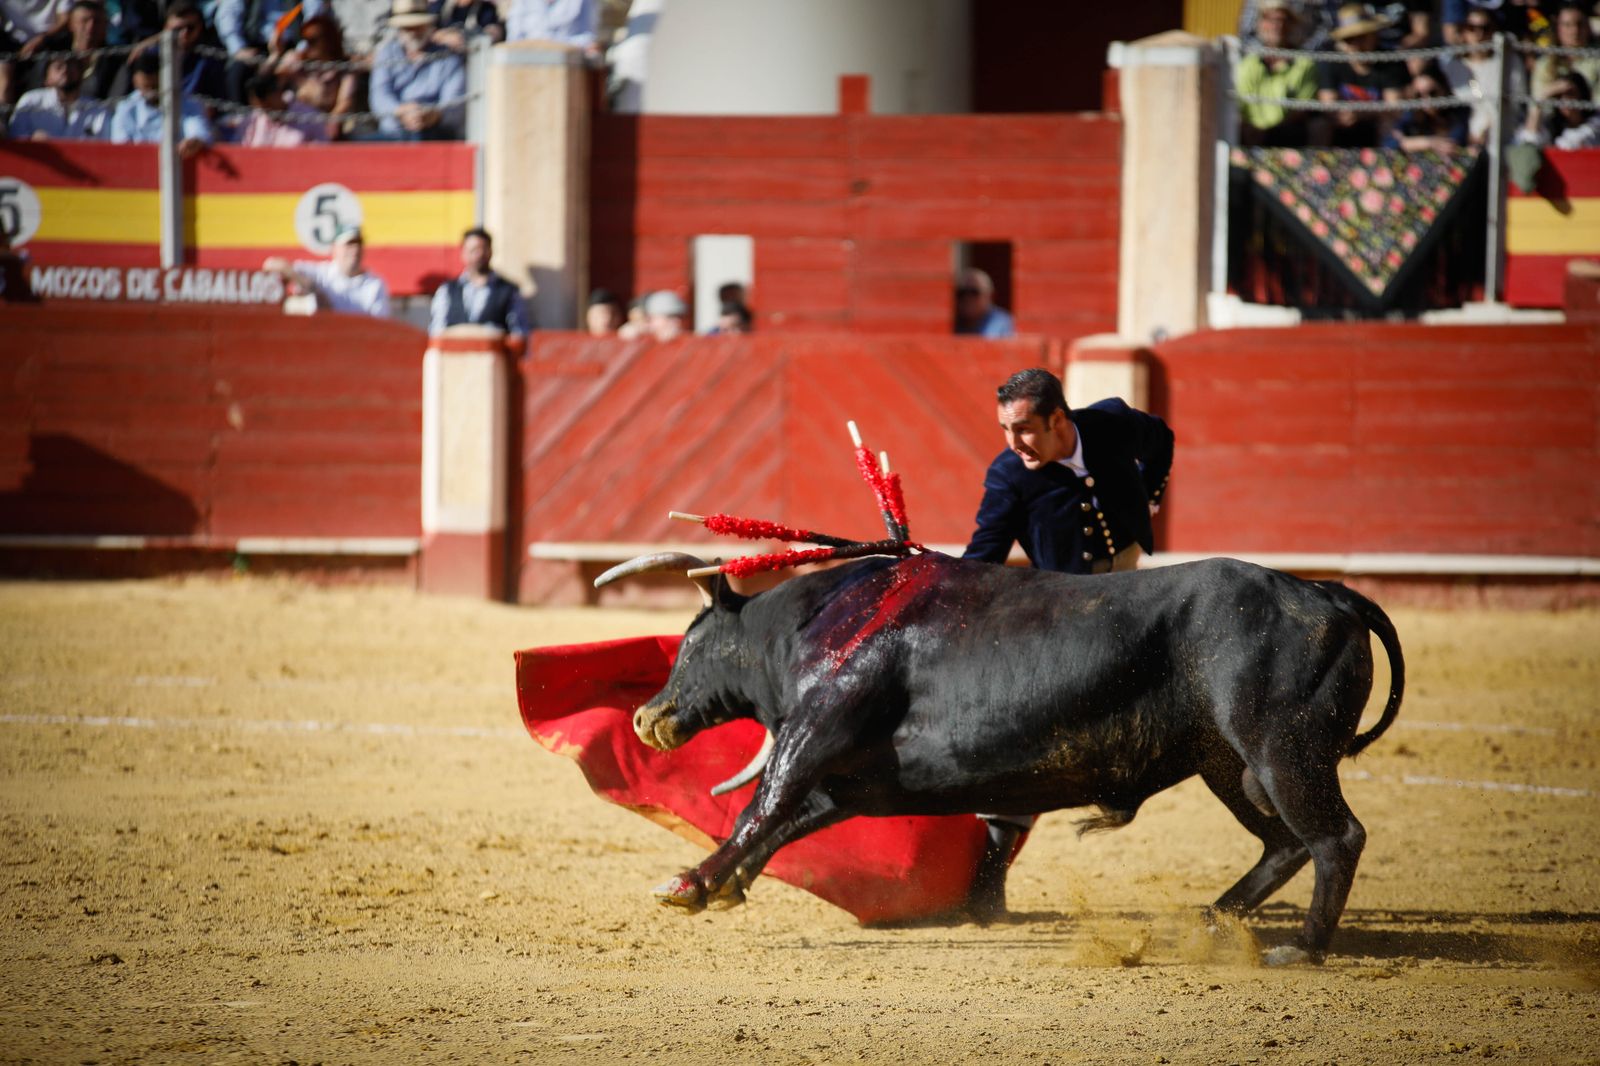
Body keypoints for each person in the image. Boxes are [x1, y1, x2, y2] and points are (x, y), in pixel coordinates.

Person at [959, 367, 1175, 922]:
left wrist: (1150, 495)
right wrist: (938, 583)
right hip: (1063, 613)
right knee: (1036, 734)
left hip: (1130, 586)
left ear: (1060, 420)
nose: (1014, 444)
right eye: (1005, 429)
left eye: (1025, 428)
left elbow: (1162, 440)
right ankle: (987, 881)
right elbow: (982, 557)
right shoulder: (1009, 475)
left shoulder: (1112, 424)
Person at [368, 0, 467, 140]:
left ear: (428, 25)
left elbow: (455, 104)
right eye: (407, 27)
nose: (413, 32)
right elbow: (379, 97)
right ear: (399, 29)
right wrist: (401, 111)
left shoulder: (448, 58)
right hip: (393, 133)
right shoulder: (386, 54)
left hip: (435, 133)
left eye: (418, 26)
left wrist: (432, 115)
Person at [1316, 3, 1407, 147]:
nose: (1357, 45)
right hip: (1341, 125)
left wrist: (1361, 113)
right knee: (1320, 125)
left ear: (1374, 36)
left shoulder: (1389, 62)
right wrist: (1343, 115)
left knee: (1388, 124)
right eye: (1350, 39)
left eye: (1362, 37)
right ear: (1343, 44)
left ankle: (1387, 165)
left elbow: (1394, 108)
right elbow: (1327, 104)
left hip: (1376, 124)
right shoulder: (1333, 60)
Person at [1235, 0, 1318, 146]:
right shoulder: (1248, 64)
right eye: (1270, 20)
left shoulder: (1304, 63)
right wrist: (1254, 129)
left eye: (1282, 20)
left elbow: (1302, 109)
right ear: (1260, 24)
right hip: (1251, 135)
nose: (1277, 26)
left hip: (1288, 134)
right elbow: (1242, 104)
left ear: (1291, 25)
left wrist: (1270, 130)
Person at [1440, 6, 1528, 144]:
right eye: (1471, 28)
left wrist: (1489, 128)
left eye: (1485, 28)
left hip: (1506, 133)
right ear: (1463, 31)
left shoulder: (1508, 61)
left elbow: (1517, 101)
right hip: (1464, 138)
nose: (1478, 34)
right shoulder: (1453, 67)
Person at [262, 224, 391, 317]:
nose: (355, 250)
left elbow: (379, 327)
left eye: (358, 244)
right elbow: (271, 264)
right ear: (335, 248)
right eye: (349, 244)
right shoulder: (322, 274)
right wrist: (310, 287)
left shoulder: (374, 285)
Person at [109, 47, 214, 153]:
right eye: (146, 87)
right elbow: (122, 148)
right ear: (135, 82)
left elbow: (198, 131)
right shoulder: (126, 108)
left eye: (155, 86)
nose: (151, 92)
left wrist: (195, 142)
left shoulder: (188, 103)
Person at [428, 227, 530, 335]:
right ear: (463, 253)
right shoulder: (447, 290)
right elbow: (436, 332)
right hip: (454, 351)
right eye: (473, 250)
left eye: (483, 249)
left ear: (491, 251)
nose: (479, 254)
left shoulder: (508, 291)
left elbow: (519, 334)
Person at [8, 55, 112, 138]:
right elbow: (15, 138)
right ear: (46, 77)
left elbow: (106, 150)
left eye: (71, 65)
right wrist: (32, 140)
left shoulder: (98, 110)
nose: (65, 70)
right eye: (58, 67)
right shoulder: (31, 101)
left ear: (81, 74)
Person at [1382, 63, 1471, 151]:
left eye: (1432, 93)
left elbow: (1453, 143)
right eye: (1419, 95)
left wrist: (1409, 142)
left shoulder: (1461, 111)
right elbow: (1390, 143)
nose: (1427, 100)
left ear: (1444, 89)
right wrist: (1428, 143)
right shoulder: (1414, 113)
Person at [1530, 3, 1600, 101]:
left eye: (1579, 24)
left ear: (1588, 26)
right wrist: (1552, 91)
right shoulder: (1544, 65)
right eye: (1567, 25)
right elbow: (1535, 109)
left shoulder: (1597, 59)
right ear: (1558, 27)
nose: (1575, 31)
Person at [1515, 70, 1600, 148]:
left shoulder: (1595, 122)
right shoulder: (1554, 125)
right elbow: (1529, 139)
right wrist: (1544, 95)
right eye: (1559, 96)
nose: (1564, 100)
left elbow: (1571, 144)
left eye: (1570, 93)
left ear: (1582, 95)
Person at [506, 0, 597, 55]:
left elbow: (588, 37)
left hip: (569, 63)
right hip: (527, 63)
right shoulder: (522, 2)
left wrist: (557, 46)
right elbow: (514, 38)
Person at [953, 267, 1014, 338]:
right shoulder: (954, 322)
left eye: (974, 292)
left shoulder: (1002, 323)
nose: (967, 298)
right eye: (962, 293)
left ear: (989, 295)